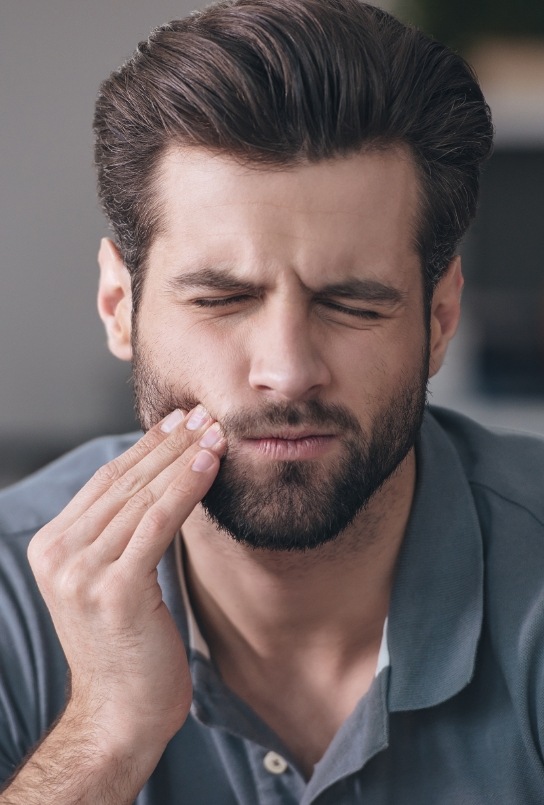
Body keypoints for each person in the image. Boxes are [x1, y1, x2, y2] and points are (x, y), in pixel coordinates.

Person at [1, 0, 543, 802]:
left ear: (439, 319)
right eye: (221, 299)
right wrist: (107, 734)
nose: (288, 372)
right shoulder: (11, 593)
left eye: (354, 304)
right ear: (119, 306)